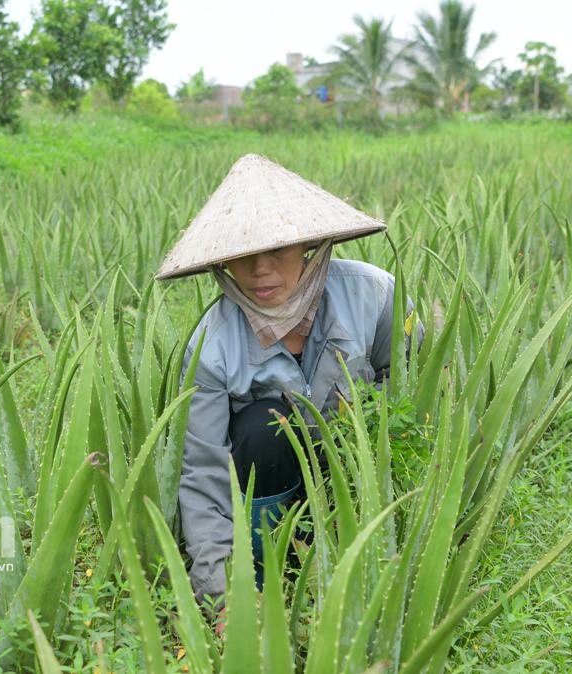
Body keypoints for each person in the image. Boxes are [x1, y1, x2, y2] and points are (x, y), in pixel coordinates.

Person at [155, 154, 424, 624]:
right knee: (264, 427)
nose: (261, 270)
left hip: (358, 483)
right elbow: (202, 474)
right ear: (224, 264)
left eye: (277, 250)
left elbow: (413, 396)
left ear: (308, 246)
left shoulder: (376, 295)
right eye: (244, 255)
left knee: (374, 418)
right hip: (271, 484)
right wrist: (223, 598)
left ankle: (353, 547)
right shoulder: (212, 347)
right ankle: (264, 574)